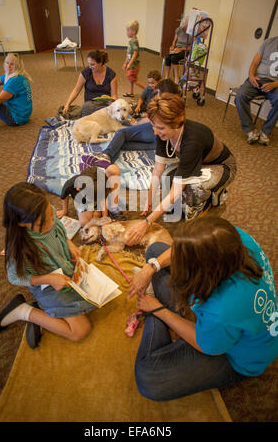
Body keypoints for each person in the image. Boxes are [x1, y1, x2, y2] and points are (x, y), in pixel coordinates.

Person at [128, 216, 278, 401]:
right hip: (224, 323)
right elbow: (179, 251)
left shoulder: (222, 310)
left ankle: (156, 311)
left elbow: (205, 345)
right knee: (156, 251)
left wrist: (157, 309)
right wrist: (150, 269)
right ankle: (165, 309)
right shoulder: (234, 238)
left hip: (233, 357)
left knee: (148, 377)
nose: (177, 258)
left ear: (202, 275)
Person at [0, 182, 97, 348]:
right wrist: (50, 279)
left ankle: (51, 308)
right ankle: (23, 311)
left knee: (94, 297)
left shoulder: (47, 214)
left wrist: (69, 245)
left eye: (51, 216)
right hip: (46, 284)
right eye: (42, 224)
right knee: (80, 331)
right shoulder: (18, 247)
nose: (50, 224)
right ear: (21, 223)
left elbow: (58, 228)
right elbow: (14, 277)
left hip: (63, 270)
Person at [126, 92, 237, 245]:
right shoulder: (163, 132)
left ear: (177, 123)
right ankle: (190, 197)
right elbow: (158, 170)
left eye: (160, 128)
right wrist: (149, 200)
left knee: (194, 188)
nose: (155, 132)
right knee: (166, 176)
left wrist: (146, 222)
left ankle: (214, 196)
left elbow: (176, 190)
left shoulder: (192, 140)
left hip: (222, 167)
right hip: (200, 162)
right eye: (153, 126)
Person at [80, 79, 179, 170]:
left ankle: (106, 156)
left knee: (121, 133)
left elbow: (152, 122)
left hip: (158, 137)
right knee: (122, 144)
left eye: (157, 93)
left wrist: (137, 124)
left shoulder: (162, 106)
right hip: (160, 144)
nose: (155, 95)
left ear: (163, 93)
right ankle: (104, 164)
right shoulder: (177, 107)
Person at [235, 36, 278, 146]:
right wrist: (251, 76)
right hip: (257, 79)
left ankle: (265, 132)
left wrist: (275, 84)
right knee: (240, 95)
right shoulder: (268, 42)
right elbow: (255, 62)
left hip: (275, 84)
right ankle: (250, 130)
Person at [56, 165, 123, 225]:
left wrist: (105, 217)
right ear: (78, 188)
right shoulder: (69, 184)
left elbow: (103, 199)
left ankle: (114, 207)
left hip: (98, 190)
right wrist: (64, 210)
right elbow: (64, 196)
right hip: (83, 202)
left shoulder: (100, 186)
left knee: (113, 169)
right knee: (84, 222)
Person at [63, 50, 118, 117]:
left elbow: (114, 95)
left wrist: (113, 104)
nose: (89, 66)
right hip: (90, 104)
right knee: (86, 107)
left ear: (100, 63)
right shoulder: (85, 73)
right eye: (89, 64)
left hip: (105, 104)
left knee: (113, 110)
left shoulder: (111, 74)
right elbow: (76, 90)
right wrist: (67, 104)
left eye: (92, 64)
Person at [122, 20, 145, 98]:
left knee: (133, 80)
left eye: (128, 30)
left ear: (134, 31)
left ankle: (148, 89)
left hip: (134, 65)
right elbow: (129, 54)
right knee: (131, 79)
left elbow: (135, 54)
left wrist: (129, 64)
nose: (127, 32)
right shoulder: (131, 41)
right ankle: (131, 92)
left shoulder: (134, 41)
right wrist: (125, 63)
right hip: (131, 64)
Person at [164, 17, 190, 84]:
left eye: (185, 28)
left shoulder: (191, 33)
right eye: (183, 28)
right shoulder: (179, 29)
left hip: (185, 50)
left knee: (174, 57)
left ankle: (176, 77)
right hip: (177, 49)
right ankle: (166, 77)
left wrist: (181, 49)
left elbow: (191, 48)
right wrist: (173, 46)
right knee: (167, 57)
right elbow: (174, 40)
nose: (183, 29)